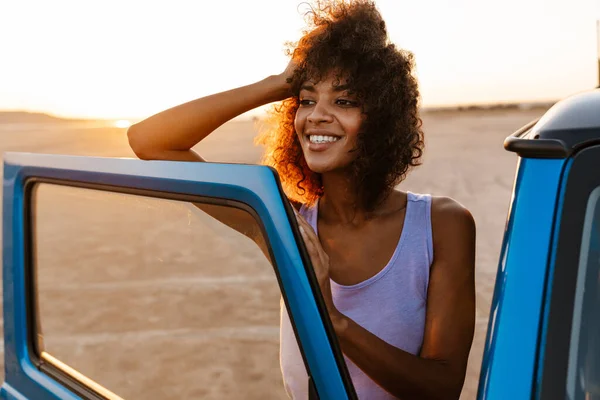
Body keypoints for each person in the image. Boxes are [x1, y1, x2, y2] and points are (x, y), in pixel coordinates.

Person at [127, 1, 476, 398]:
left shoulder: (441, 224)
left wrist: (331, 319)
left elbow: (442, 387)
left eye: (343, 102)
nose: (316, 116)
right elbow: (148, 141)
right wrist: (278, 82)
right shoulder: (282, 223)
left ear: (383, 119)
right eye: (307, 100)